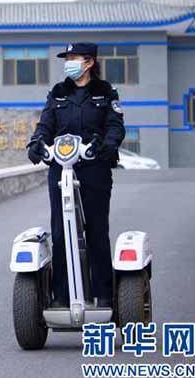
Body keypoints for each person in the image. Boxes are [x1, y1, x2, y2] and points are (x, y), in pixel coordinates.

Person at [27, 43, 125, 309]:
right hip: (61, 169)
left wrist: (107, 145)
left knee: (96, 231)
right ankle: (61, 296)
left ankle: (103, 296)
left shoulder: (105, 93)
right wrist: (37, 143)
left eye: (73, 58)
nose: (68, 62)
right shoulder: (58, 93)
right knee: (61, 232)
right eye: (67, 58)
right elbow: (45, 125)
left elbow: (115, 127)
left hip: (94, 169)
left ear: (89, 62)